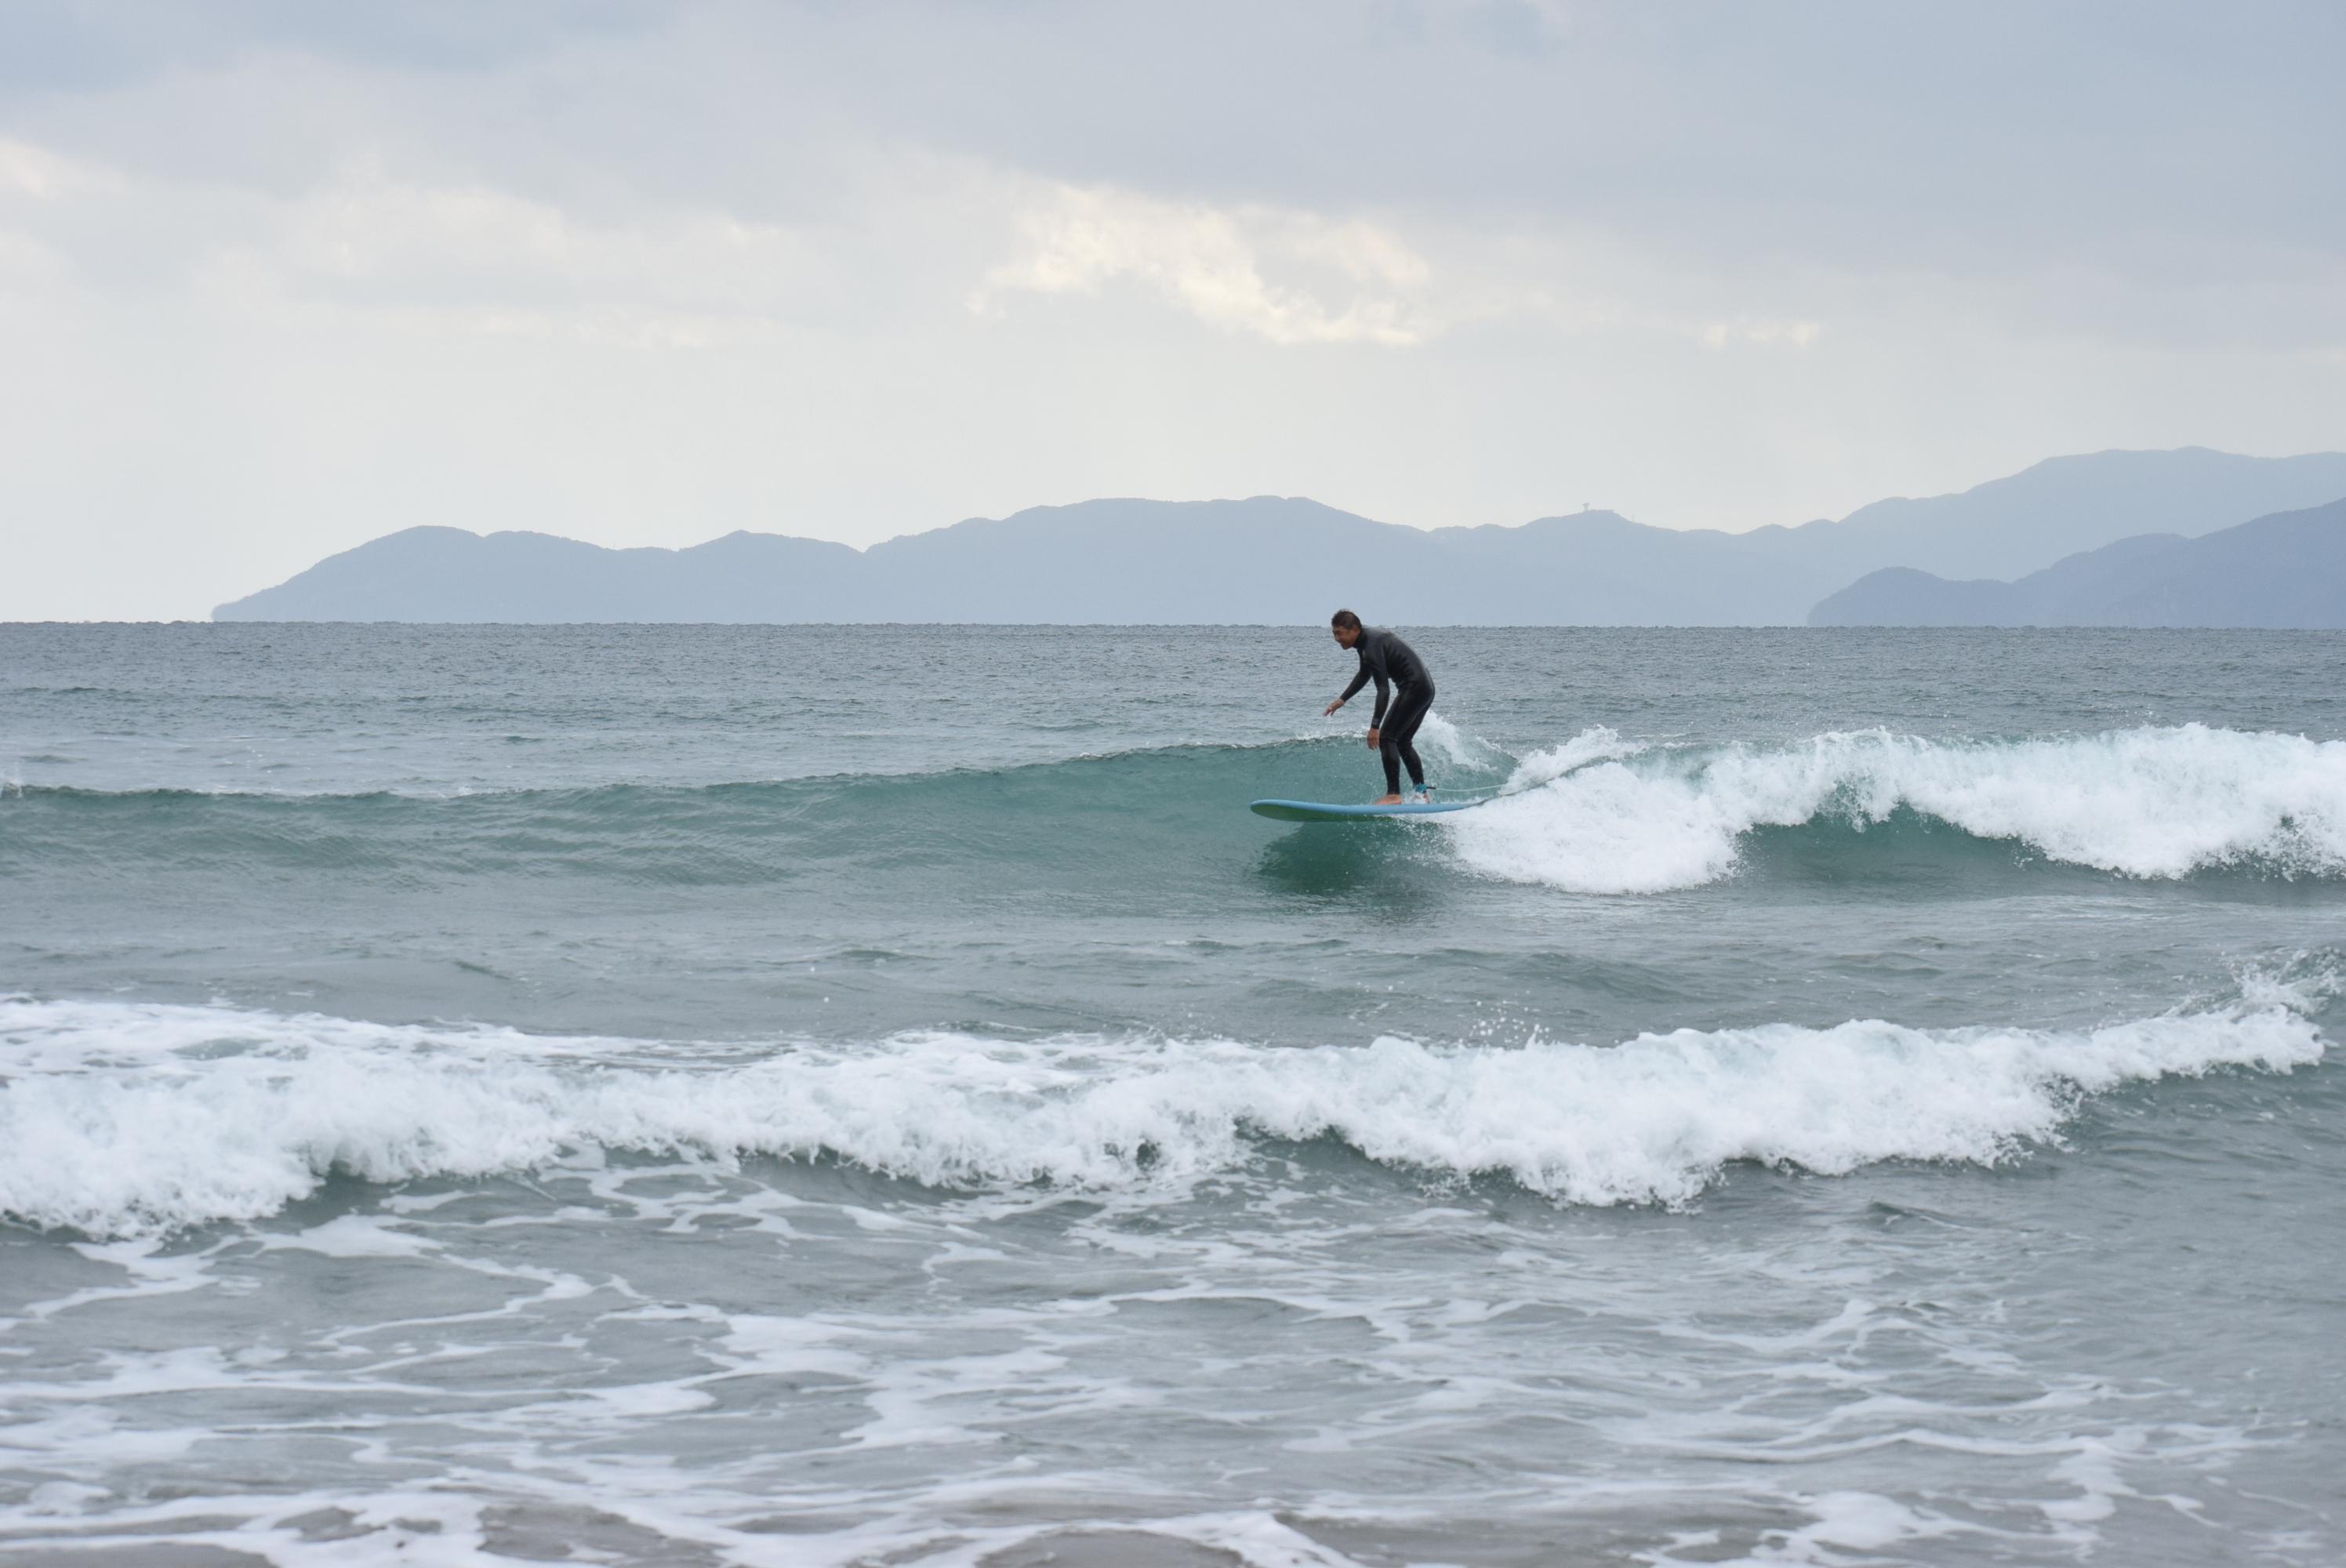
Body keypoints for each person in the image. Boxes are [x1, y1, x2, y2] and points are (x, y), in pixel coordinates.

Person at [1321, 609, 1436, 804]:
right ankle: (1422, 793)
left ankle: (1393, 794)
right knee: (1403, 742)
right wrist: (1343, 699)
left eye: (1339, 633)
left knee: (1387, 737)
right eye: (1334, 633)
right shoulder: (1366, 641)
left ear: (1354, 629)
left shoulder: (1371, 645)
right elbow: (1364, 674)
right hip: (1426, 688)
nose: (1336, 638)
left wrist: (1375, 727)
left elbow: (1383, 690)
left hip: (1413, 687)